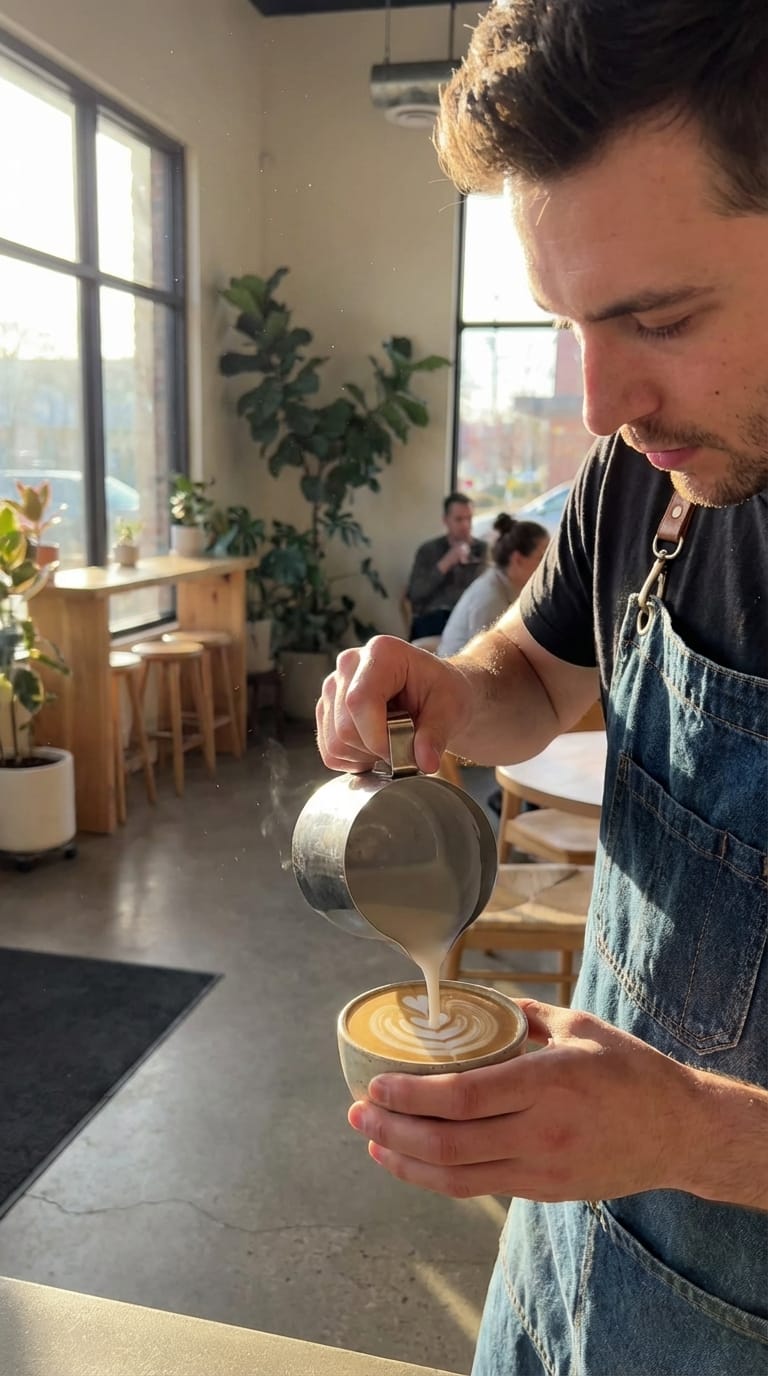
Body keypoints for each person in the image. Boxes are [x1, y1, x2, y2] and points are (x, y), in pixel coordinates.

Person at [315, 2, 768, 1372]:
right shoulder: (651, 470)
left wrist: (691, 1129)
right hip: (579, 1248)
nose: (601, 400)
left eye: (659, 316)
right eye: (569, 322)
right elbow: (535, 667)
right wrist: (447, 690)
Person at [437, 515, 548, 658]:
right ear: (518, 559)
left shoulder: (511, 586)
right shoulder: (490, 598)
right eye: (541, 557)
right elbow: (485, 658)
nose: (547, 565)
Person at [405, 491, 487, 640]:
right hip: (434, 618)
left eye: (469, 519)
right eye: (459, 519)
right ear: (446, 520)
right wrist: (445, 563)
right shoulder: (429, 550)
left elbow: (485, 591)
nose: (465, 525)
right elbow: (415, 594)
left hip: (468, 618)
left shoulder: (481, 550)